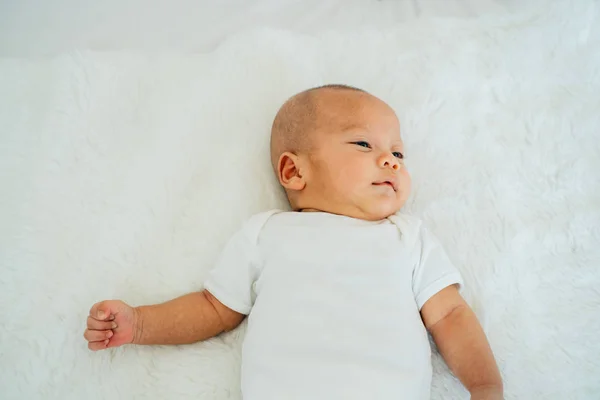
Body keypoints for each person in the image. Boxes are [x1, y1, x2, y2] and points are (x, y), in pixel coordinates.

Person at [84, 85, 503, 399]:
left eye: (399, 153)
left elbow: (449, 315)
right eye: (363, 143)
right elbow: (213, 308)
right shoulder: (267, 233)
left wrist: (484, 386)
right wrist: (140, 323)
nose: (390, 160)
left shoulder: (407, 237)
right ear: (293, 171)